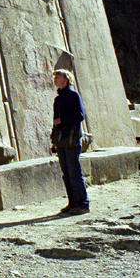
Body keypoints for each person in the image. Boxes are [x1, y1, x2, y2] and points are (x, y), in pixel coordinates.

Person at [51, 69, 90, 215]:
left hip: (72, 138)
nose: (55, 79)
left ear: (66, 79)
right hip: (61, 139)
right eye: (54, 77)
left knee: (74, 172)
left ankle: (83, 204)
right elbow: (55, 121)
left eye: (58, 77)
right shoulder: (58, 99)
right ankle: (72, 203)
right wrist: (54, 139)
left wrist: (63, 120)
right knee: (66, 173)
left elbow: (79, 115)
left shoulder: (74, 95)